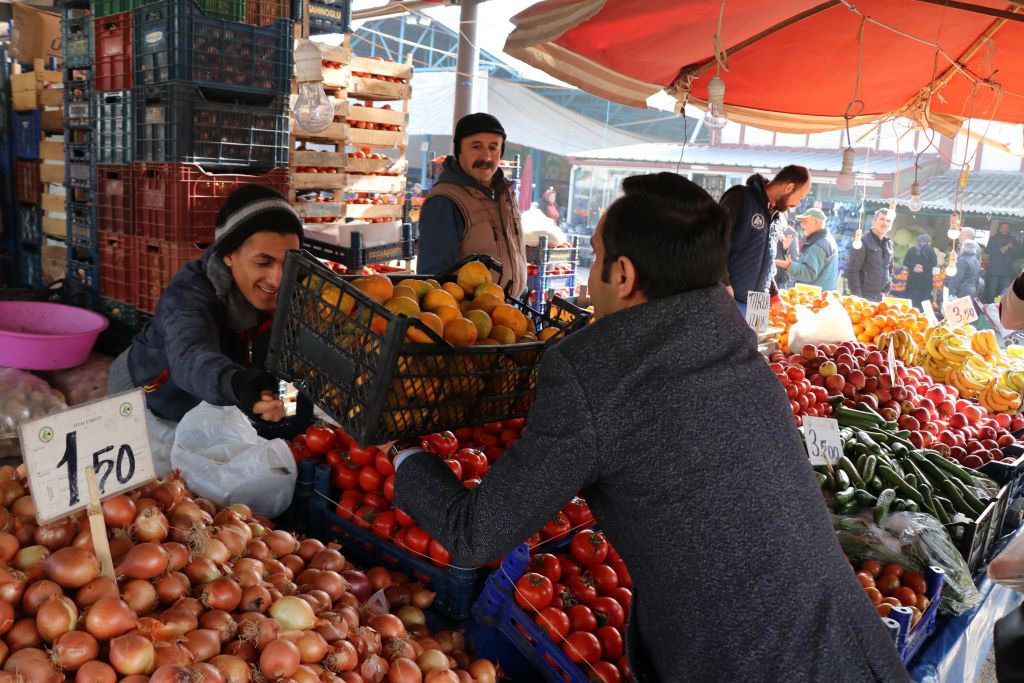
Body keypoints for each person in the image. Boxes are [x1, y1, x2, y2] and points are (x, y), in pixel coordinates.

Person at [390, 172, 909, 682]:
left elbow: (475, 533)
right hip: (853, 644)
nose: (592, 276)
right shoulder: (732, 338)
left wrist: (401, 448)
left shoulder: (594, 368)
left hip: (743, 662)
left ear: (625, 275)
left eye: (595, 257)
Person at [106, 184, 302, 425]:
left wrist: (285, 409)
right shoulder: (189, 294)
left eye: (289, 263)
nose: (277, 279)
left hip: (215, 401)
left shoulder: (299, 288)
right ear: (228, 255)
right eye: (263, 262)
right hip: (150, 393)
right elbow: (191, 355)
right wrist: (237, 384)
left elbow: (289, 362)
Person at [417, 113, 527, 295]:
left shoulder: (505, 193)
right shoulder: (444, 202)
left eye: (494, 147)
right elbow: (433, 280)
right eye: (477, 147)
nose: (486, 156)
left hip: (506, 314)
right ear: (459, 150)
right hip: (468, 318)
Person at [720, 165, 811, 310]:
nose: (797, 205)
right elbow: (714, 243)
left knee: (756, 334)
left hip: (758, 305)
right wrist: (724, 284)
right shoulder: (741, 197)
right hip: (729, 297)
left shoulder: (778, 218)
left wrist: (774, 296)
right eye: (799, 198)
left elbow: (765, 261)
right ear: (789, 187)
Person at [776, 208, 839, 290]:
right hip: (823, 296)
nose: (802, 225)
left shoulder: (818, 245)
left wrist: (789, 266)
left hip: (815, 297)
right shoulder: (827, 239)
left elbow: (809, 273)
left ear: (816, 222)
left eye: (805, 221)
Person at [846, 208, 895, 301]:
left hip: (881, 297)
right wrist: (857, 297)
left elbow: (890, 269)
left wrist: (886, 291)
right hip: (864, 297)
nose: (885, 223)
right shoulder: (862, 241)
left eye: (888, 221)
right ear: (873, 222)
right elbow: (853, 270)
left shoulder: (889, 243)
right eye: (882, 219)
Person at [902, 233, 938, 309]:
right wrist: (924, 268)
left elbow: (905, 262)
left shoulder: (912, 249)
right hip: (925, 282)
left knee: (912, 303)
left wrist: (914, 267)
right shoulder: (930, 249)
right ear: (928, 241)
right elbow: (934, 262)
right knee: (924, 304)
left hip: (913, 282)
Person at [986, 222, 1019, 302]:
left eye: (1007, 228)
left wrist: (1012, 248)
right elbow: (987, 250)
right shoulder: (994, 238)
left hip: (1006, 270)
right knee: (992, 291)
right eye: (1003, 228)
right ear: (999, 229)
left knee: (1004, 292)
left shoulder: (1013, 239)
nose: (1005, 229)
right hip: (994, 269)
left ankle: (1001, 309)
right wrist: (1000, 249)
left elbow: (1018, 254)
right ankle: (989, 309)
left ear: (1009, 229)